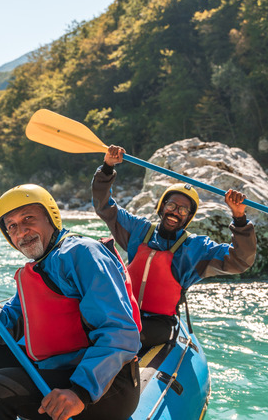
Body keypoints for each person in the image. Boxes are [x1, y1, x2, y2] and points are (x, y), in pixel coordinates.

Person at [0, 184, 142, 420]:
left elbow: (119, 331)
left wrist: (79, 393)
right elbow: (7, 328)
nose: (21, 232)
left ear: (51, 218)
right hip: (57, 368)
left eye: (28, 218)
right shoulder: (39, 267)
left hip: (106, 384)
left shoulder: (83, 253)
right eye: (12, 226)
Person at [92, 145, 257, 349]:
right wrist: (107, 167)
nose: (175, 212)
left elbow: (240, 260)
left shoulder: (195, 248)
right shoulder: (139, 230)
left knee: (124, 336)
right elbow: (104, 206)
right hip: (125, 311)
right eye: (171, 206)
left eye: (183, 210)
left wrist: (239, 219)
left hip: (158, 323)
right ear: (162, 208)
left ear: (188, 218)